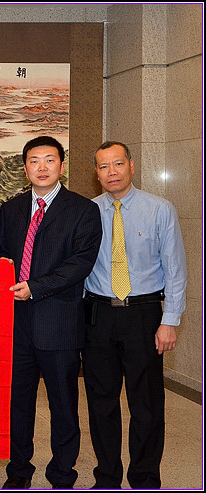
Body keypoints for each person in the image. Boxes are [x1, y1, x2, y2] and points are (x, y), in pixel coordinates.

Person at [0, 136, 102, 489]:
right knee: (18, 405)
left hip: (58, 323)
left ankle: (62, 473)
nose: (41, 167)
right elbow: (2, 254)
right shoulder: (11, 209)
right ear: (24, 167)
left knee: (63, 405)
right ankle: (18, 472)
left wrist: (36, 286)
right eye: (34, 161)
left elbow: (80, 263)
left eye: (49, 160)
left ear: (62, 165)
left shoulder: (83, 210)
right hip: (15, 324)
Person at [83, 141, 186, 489]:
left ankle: (144, 478)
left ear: (131, 165)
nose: (111, 172)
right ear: (96, 174)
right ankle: (107, 477)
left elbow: (175, 269)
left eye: (117, 164)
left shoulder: (160, 209)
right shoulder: (87, 212)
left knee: (146, 404)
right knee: (101, 403)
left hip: (143, 315)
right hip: (98, 314)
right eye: (103, 166)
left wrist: (169, 321)